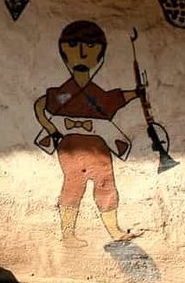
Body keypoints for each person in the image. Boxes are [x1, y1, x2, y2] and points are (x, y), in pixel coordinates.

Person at [33, 20, 140, 244]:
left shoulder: (96, 94)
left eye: (90, 47)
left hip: (97, 145)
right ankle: (68, 234)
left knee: (105, 182)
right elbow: (42, 104)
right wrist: (52, 130)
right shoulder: (63, 94)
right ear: (65, 54)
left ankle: (113, 230)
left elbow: (114, 99)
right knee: (75, 183)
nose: (82, 52)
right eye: (74, 46)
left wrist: (136, 93)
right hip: (71, 145)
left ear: (99, 57)